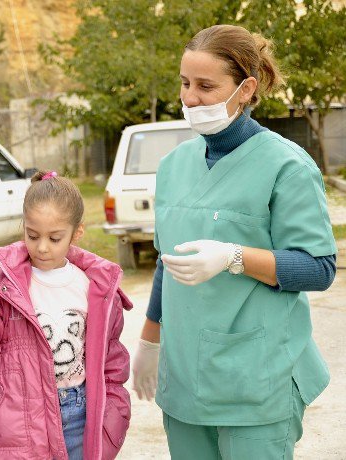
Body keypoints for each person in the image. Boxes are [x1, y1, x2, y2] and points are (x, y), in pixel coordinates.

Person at [131, 24, 337, 459]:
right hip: (185, 379)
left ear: (246, 88)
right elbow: (168, 264)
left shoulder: (287, 166)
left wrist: (235, 257)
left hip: (256, 379)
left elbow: (319, 268)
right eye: (185, 83)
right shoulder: (174, 166)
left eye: (206, 86)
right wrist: (150, 342)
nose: (189, 97)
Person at [0, 171, 132, 460]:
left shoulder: (95, 288)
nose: (42, 247)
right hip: (19, 423)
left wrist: (115, 411)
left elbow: (112, 360)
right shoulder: (6, 284)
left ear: (77, 232)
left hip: (79, 418)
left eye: (55, 238)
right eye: (32, 235)